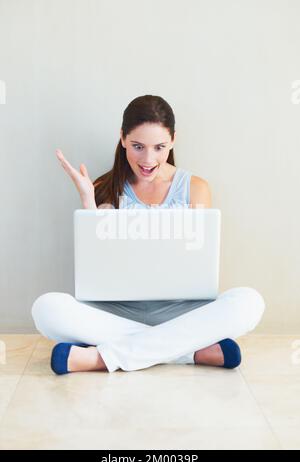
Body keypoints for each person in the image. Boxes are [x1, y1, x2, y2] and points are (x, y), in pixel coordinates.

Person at [31, 95, 265, 374]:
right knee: (46, 309)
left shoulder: (195, 188)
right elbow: (97, 270)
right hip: (117, 312)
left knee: (249, 303)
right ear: (122, 138)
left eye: (159, 147)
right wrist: (88, 204)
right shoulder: (104, 188)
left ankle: (100, 359)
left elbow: (199, 263)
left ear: (173, 140)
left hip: (181, 313)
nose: (148, 159)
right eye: (138, 147)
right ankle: (188, 352)